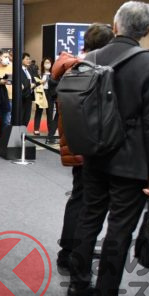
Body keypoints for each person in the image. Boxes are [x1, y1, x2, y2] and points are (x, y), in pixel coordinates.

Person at [67, 2, 149, 296]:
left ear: (116, 24)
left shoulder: (91, 58)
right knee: (119, 230)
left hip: (95, 154)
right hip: (132, 162)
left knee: (89, 218)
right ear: (147, 30)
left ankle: (77, 285)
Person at [53, 23, 114, 273]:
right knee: (84, 201)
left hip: (76, 143)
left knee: (80, 198)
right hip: (87, 146)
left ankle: (72, 249)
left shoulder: (71, 67)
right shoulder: (87, 70)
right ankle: (71, 253)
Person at [33, 57, 58, 142]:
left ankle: (50, 131)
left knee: (49, 112)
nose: (47, 64)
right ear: (43, 64)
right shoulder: (39, 74)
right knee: (39, 111)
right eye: (46, 63)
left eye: (49, 63)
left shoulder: (53, 74)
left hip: (50, 94)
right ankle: (36, 129)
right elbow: (36, 83)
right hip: (41, 92)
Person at [19, 52, 35, 126]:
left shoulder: (29, 70)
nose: (29, 60)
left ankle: (24, 130)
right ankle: (20, 131)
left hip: (29, 95)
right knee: (21, 115)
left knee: (27, 116)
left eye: (29, 59)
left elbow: (33, 80)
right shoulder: (18, 70)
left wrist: (35, 84)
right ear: (21, 60)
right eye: (27, 59)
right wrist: (29, 85)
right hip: (22, 96)